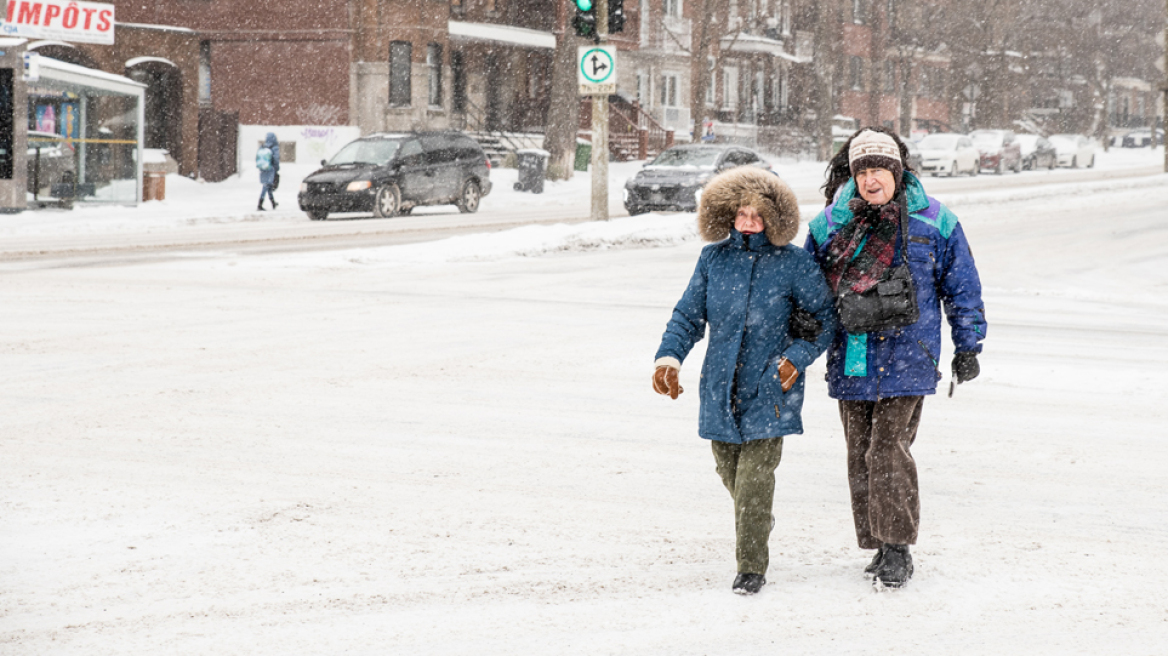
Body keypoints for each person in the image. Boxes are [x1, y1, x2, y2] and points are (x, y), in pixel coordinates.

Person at [803, 128, 987, 588]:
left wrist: (968, 344)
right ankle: (879, 542)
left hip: (909, 356)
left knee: (887, 449)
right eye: (862, 170)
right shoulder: (829, 224)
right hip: (853, 355)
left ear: (897, 171)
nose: (871, 179)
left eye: (880, 170)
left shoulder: (935, 221)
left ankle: (898, 546)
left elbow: (961, 285)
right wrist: (796, 338)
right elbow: (806, 291)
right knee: (860, 454)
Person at [653, 167, 837, 595]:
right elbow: (688, 316)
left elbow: (824, 320)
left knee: (754, 482)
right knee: (730, 472)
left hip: (770, 387)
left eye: (758, 214)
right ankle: (757, 518)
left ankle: (750, 567)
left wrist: (795, 359)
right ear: (727, 214)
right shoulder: (712, 259)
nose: (749, 221)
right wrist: (669, 359)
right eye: (741, 213)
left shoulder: (794, 263)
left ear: (774, 217)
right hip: (720, 388)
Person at [256, 132, 280, 211]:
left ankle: (273, 203)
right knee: (266, 186)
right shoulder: (274, 148)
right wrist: (276, 168)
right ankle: (260, 204)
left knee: (268, 186)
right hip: (270, 169)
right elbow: (276, 160)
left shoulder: (263, 146)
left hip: (263, 169)